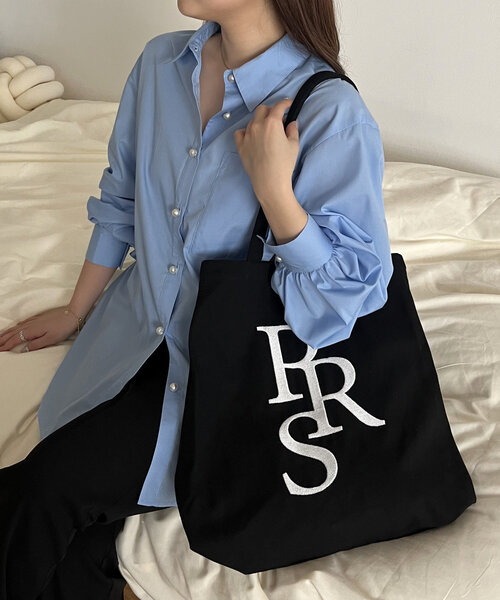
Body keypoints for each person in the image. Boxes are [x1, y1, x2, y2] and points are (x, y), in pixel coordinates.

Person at [0, 0, 394, 598]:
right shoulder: (161, 64)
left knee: (40, 490)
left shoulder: (328, 111)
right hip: (133, 332)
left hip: (227, 376)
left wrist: (276, 194)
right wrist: (78, 310)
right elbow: (122, 197)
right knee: (71, 531)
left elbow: (346, 301)